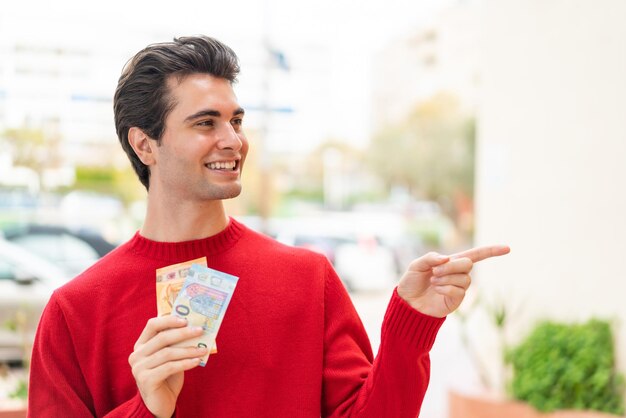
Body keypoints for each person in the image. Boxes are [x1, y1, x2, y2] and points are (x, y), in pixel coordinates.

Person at [28, 36, 509, 418]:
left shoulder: (308, 278)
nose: (233, 140)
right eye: (205, 123)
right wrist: (147, 409)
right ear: (145, 144)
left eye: (235, 120)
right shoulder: (75, 312)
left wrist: (413, 323)